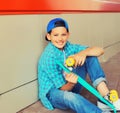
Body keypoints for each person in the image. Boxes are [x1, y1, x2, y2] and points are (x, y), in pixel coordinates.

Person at [38, 18, 120, 113]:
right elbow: (62, 88)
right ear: (49, 36)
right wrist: (71, 83)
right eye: (56, 35)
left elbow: (100, 50)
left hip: (70, 84)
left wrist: (82, 54)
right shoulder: (48, 57)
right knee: (71, 97)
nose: (60, 39)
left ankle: (105, 98)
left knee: (89, 55)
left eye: (63, 34)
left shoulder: (69, 47)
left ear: (68, 35)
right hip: (55, 94)